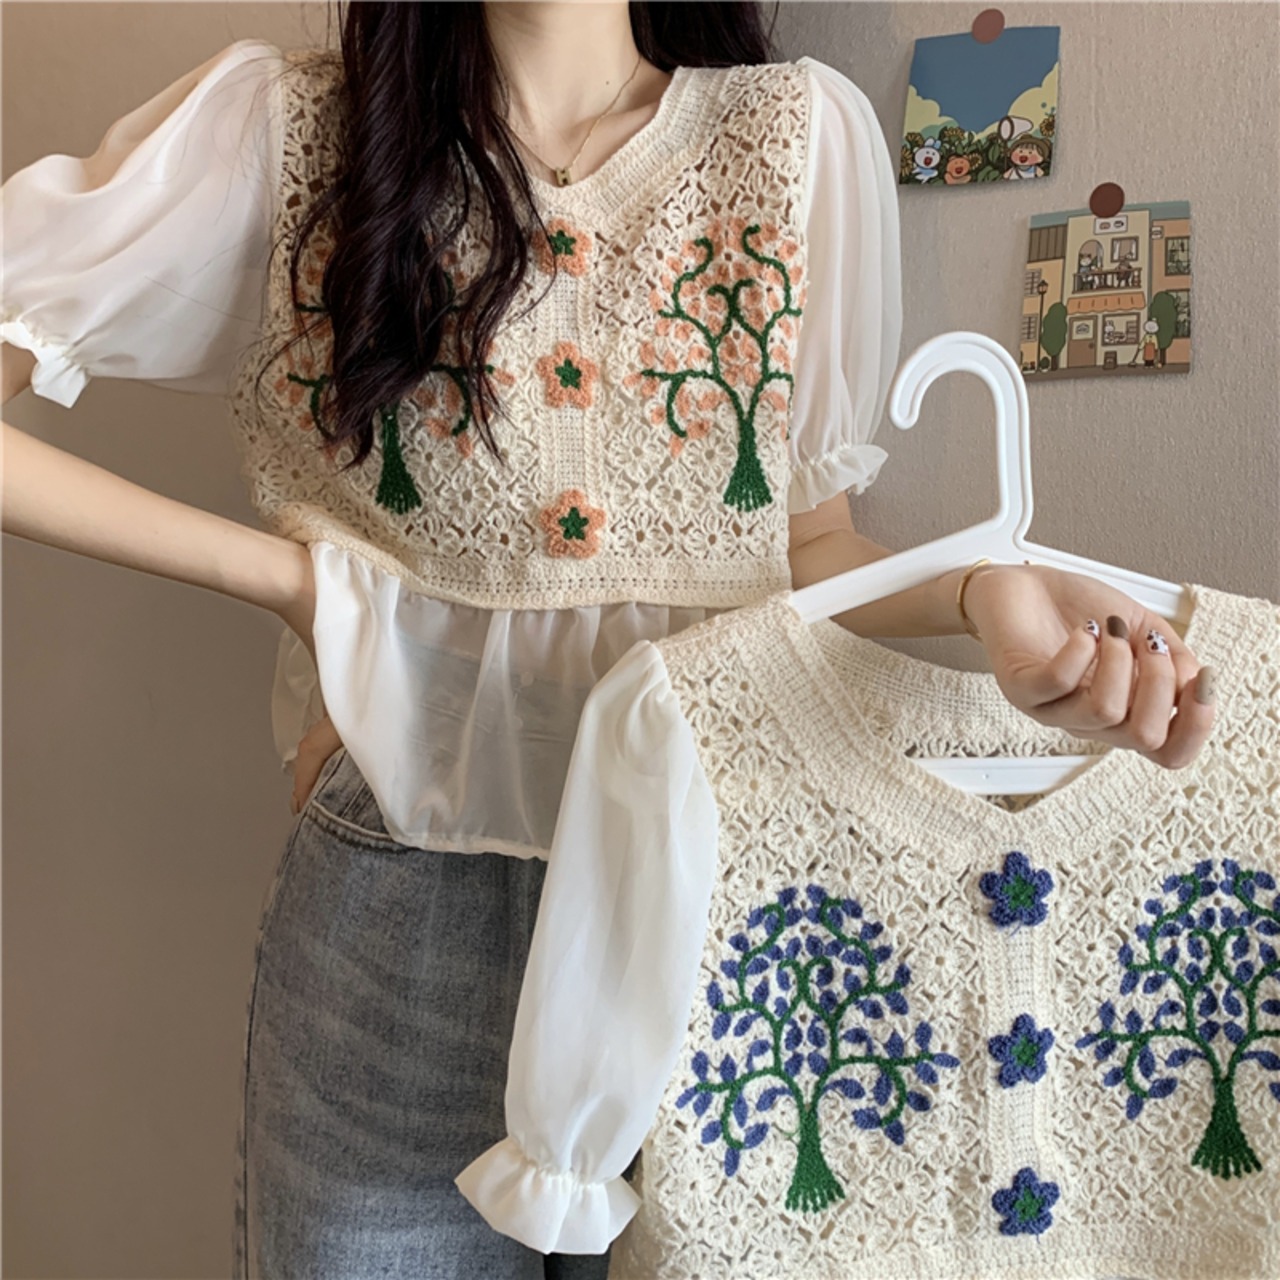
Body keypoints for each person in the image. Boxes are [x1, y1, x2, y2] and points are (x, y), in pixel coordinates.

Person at [0, 3, 1216, 1278]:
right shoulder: (291, 132)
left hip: (716, 903)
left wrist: (980, 591)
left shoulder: (790, 138)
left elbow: (796, 548)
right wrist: (302, 586)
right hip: (402, 896)